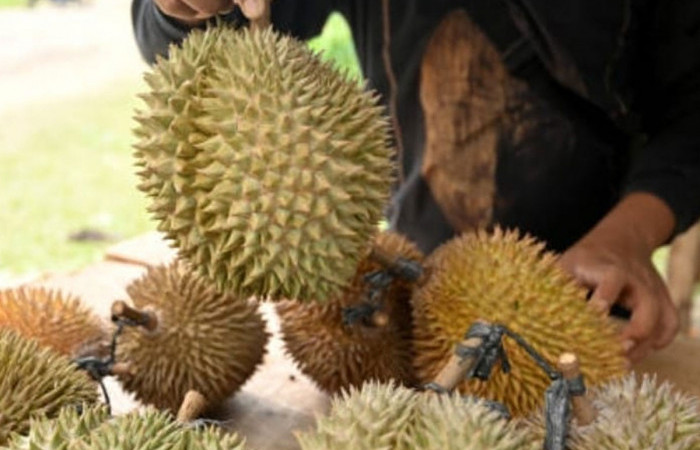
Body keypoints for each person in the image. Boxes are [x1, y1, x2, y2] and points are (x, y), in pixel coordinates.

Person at [131, 0, 700, 363]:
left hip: (596, 303)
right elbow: (214, 33)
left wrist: (628, 237)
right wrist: (184, 10)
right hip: (415, 295)